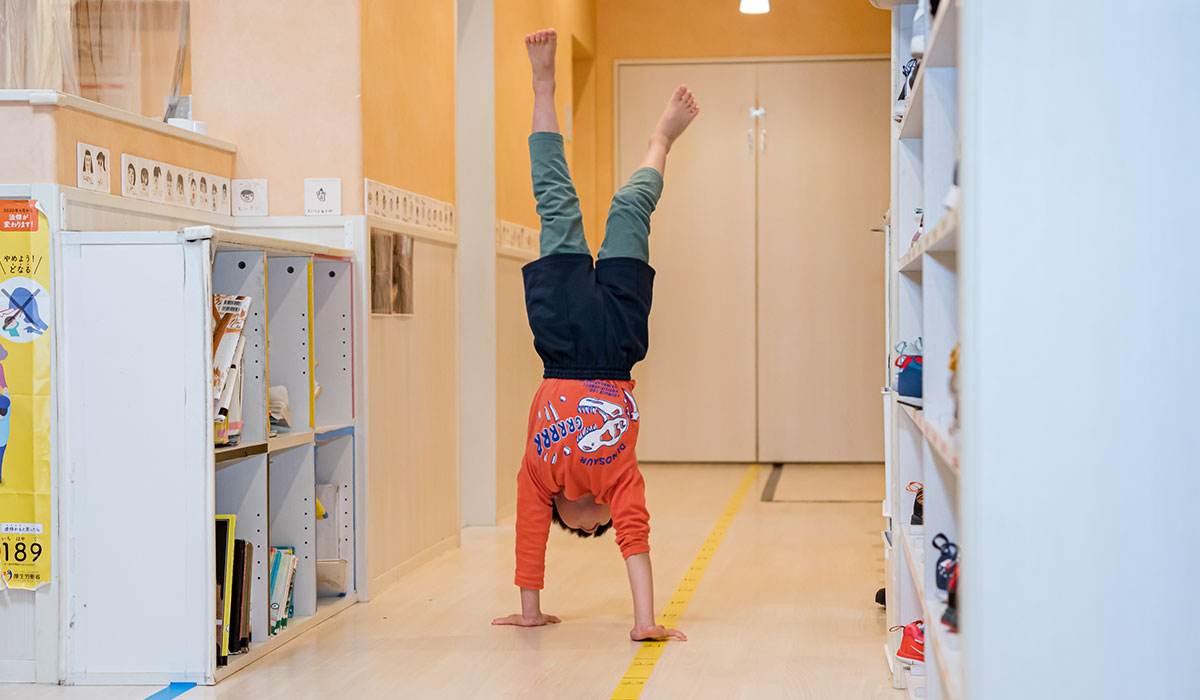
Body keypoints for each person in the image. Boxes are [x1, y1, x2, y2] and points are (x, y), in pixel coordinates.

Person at [491, 28, 699, 642]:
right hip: (617, 343)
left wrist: (530, 610)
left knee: (556, 201)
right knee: (630, 209)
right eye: (599, 528)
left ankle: (543, 85)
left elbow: (529, 536)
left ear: (558, 510)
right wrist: (644, 621)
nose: (589, 525)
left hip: (561, 337)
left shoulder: (539, 478)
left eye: (576, 528)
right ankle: (661, 140)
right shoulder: (619, 478)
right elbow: (636, 538)